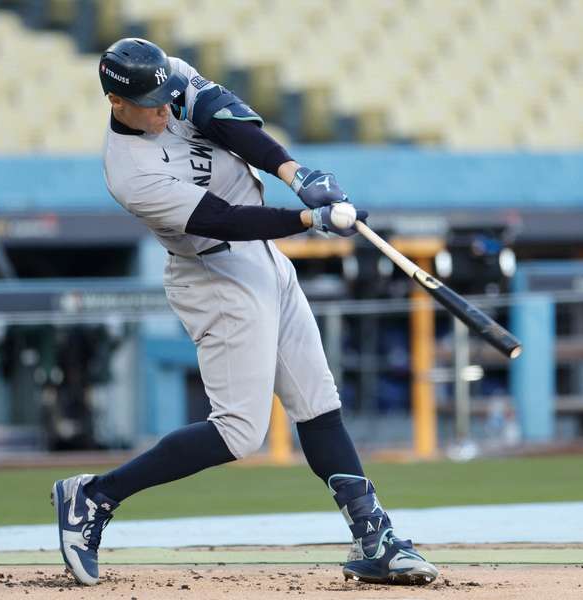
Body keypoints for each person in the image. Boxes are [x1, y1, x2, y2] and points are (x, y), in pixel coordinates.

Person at [51, 38, 439, 588]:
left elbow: (225, 120)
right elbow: (223, 220)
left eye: (167, 96)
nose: (166, 109)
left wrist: (294, 172)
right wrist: (309, 222)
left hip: (263, 261)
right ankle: (93, 496)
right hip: (214, 274)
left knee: (318, 403)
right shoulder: (129, 173)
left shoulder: (167, 74)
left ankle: (373, 534)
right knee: (238, 432)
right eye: (153, 104)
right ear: (117, 103)